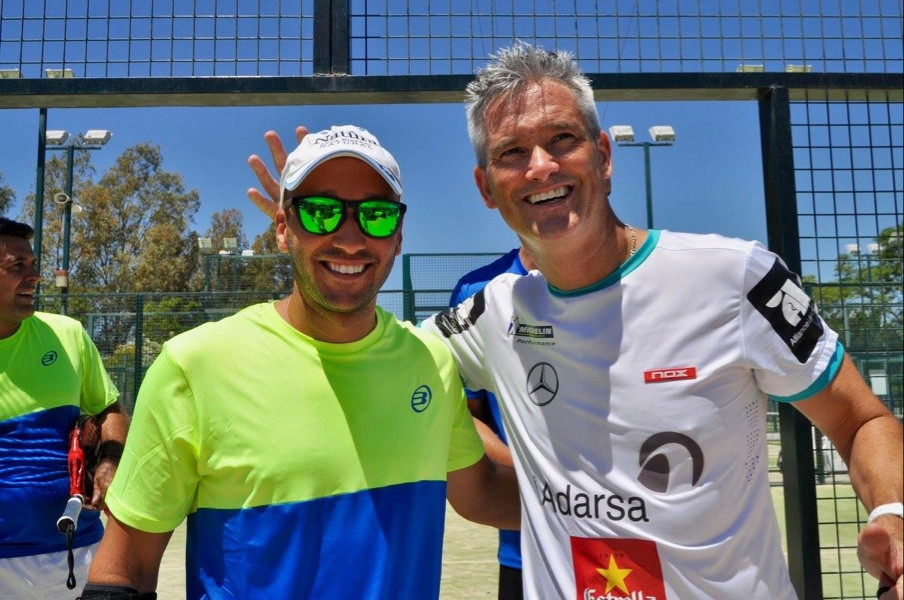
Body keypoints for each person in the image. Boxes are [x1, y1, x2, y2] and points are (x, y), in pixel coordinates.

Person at [245, 45, 902, 600]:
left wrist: (895, 516)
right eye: (512, 153)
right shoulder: (493, 312)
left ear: (604, 155)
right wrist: (323, 230)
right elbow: (368, 350)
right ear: (486, 187)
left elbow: (862, 420)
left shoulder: (735, 279)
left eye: (562, 140)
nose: (541, 166)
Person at [82, 125, 519, 600]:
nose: (349, 239)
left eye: (375, 215)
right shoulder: (195, 366)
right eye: (320, 212)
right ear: (282, 228)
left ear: (398, 236)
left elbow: (484, 493)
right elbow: (123, 570)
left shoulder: (429, 361)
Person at [0, 217, 127, 599]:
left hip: (79, 549)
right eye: (17, 266)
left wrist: (109, 461)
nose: (34, 276)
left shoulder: (67, 334)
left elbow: (109, 410)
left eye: (33, 264)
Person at [449, 247, 534, 600]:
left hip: (640, 543)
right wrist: (538, 472)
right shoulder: (476, 291)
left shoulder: (651, 278)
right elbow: (466, 413)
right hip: (524, 552)